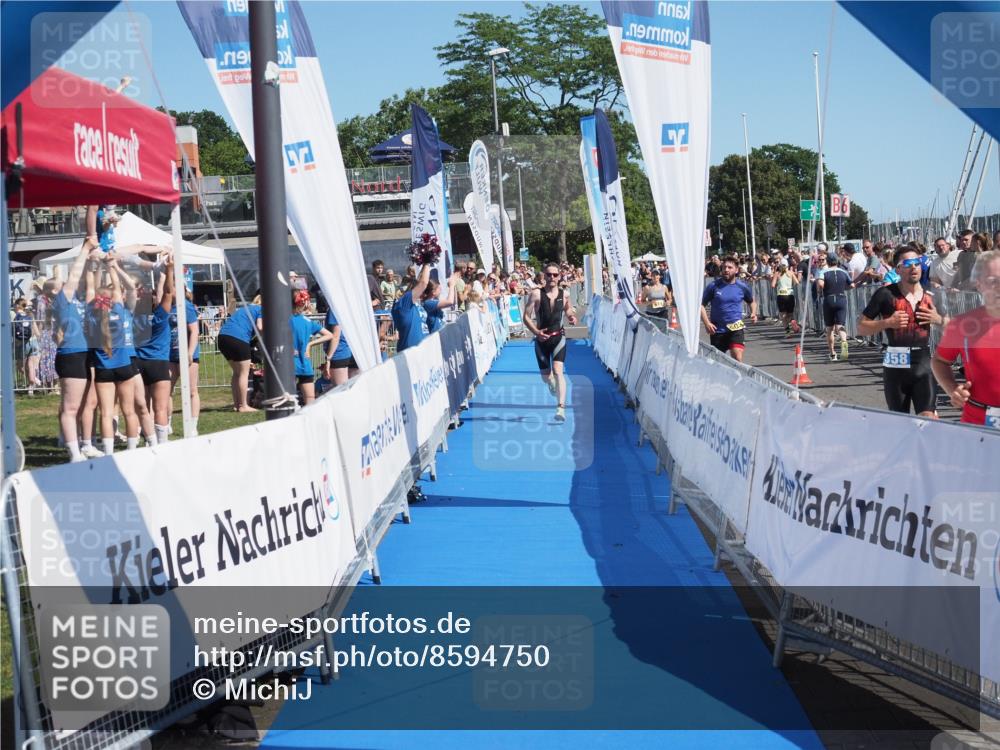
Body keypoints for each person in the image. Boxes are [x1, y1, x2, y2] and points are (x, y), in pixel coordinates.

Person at [857, 245, 944, 418]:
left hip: (923, 363)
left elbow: (955, 326)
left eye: (917, 262)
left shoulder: (932, 295)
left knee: (929, 419)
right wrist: (887, 322)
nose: (914, 267)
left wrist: (938, 320)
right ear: (898, 268)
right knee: (899, 422)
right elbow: (861, 327)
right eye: (908, 263)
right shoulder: (885, 294)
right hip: (896, 364)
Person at [932, 250, 1000, 427]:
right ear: (979, 285)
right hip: (977, 423)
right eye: (993, 281)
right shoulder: (962, 325)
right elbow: (939, 361)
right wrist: (953, 390)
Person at [86, 254, 139, 454]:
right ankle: (132, 449)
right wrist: (111, 266)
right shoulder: (119, 310)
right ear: (111, 300)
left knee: (106, 413)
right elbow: (117, 288)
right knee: (129, 411)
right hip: (124, 366)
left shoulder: (91, 317)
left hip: (103, 369)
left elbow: (91, 289)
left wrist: (93, 267)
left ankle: (108, 453)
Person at [523, 261, 579, 422]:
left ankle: (560, 408)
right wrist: (536, 332)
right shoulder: (536, 294)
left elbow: (568, 308)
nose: (552, 277)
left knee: (558, 370)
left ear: (559, 276)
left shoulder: (565, 294)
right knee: (546, 376)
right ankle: (551, 383)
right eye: (549, 274)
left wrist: (570, 316)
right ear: (544, 276)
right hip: (541, 339)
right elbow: (526, 316)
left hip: (558, 337)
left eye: (555, 275)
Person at [133, 260, 174, 446]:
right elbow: (167, 292)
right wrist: (169, 269)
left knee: (143, 407)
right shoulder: (160, 315)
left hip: (138, 363)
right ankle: (162, 443)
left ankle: (149, 441)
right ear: (153, 300)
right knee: (160, 408)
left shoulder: (133, 317)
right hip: (158, 362)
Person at [700, 255, 758, 362]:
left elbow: (752, 302)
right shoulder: (713, 286)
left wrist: (753, 313)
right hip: (718, 330)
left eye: (730, 267)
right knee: (719, 362)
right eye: (724, 267)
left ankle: (740, 378)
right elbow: (701, 305)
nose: (726, 270)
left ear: (736, 270)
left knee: (737, 356)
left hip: (736, 328)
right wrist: (707, 323)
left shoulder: (742, 286)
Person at [217, 300, 263, 412]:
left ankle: (237, 405)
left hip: (222, 337)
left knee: (237, 373)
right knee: (244, 373)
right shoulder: (262, 309)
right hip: (239, 338)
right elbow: (260, 327)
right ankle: (243, 406)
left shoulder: (245, 309)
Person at [289, 290, 333, 406]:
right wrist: (310, 344)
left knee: (287, 399)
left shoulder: (283, 320)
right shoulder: (308, 322)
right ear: (305, 303)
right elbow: (329, 335)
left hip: (288, 364)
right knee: (310, 400)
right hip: (305, 363)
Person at [169, 289, 202, 436]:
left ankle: (193, 426)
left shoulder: (186, 306)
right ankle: (167, 424)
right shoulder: (167, 305)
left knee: (191, 390)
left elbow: (195, 330)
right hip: (170, 354)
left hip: (188, 355)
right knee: (166, 391)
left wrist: (189, 352)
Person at [816, 252, 853, 361]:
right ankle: (844, 342)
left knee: (830, 328)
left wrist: (819, 289)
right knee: (840, 325)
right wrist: (842, 288)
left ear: (827, 261)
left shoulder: (824, 271)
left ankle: (832, 353)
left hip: (829, 299)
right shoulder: (843, 272)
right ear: (837, 261)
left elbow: (821, 285)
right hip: (841, 298)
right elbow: (851, 285)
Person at [392, 263, 431, 352]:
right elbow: (423, 283)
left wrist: (424, 264)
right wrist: (428, 260)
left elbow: (420, 280)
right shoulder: (404, 302)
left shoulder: (416, 304)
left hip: (423, 349)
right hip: (410, 352)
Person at [323, 305, 359, 386]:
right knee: (353, 391)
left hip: (340, 353)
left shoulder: (335, 308)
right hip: (354, 352)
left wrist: (328, 359)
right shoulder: (352, 306)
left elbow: (336, 335)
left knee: (341, 392)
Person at [771, 259, 799, 335]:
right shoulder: (791, 273)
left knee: (783, 315)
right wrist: (791, 285)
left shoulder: (777, 273)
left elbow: (773, 285)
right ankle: (792, 320)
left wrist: (777, 283)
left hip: (781, 295)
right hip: (790, 294)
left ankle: (787, 332)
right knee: (790, 313)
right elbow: (797, 282)